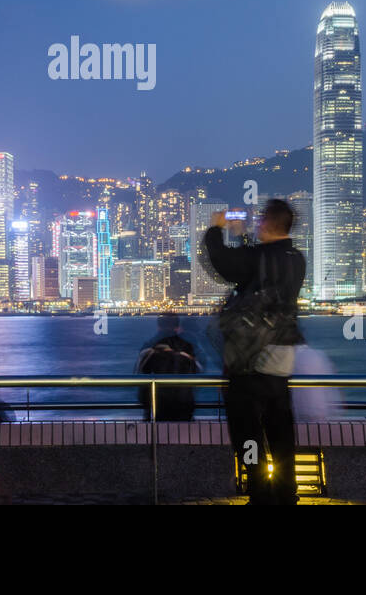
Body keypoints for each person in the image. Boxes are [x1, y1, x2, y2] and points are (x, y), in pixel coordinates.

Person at [203, 199, 306, 505]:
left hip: (250, 355)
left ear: (266, 223)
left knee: (247, 427)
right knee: (280, 424)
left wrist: (215, 230)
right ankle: (287, 491)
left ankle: (259, 491)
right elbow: (257, 268)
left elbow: (224, 264)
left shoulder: (258, 257)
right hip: (283, 350)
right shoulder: (296, 258)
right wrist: (244, 238)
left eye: (260, 221)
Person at [134, 313, 201, 421]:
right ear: (177, 327)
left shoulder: (149, 347)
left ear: (158, 326)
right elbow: (197, 371)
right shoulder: (186, 346)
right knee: (184, 435)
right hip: (182, 403)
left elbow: (139, 375)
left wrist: (145, 401)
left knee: (155, 434)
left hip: (156, 404)